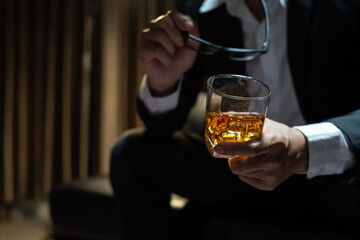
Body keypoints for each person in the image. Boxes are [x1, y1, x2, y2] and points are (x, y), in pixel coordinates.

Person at [110, 0, 360, 239]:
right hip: (238, 172)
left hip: (329, 176)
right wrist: (163, 84)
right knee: (131, 155)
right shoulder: (198, 9)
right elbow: (164, 125)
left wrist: (303, 147)